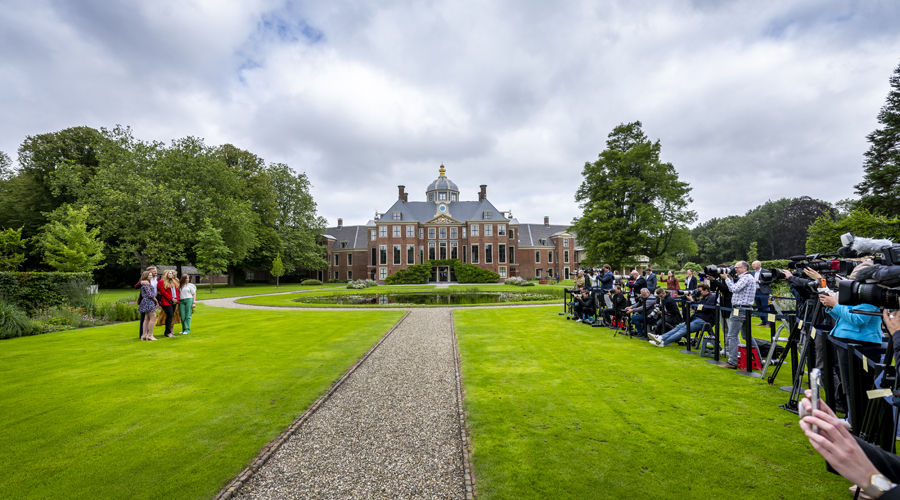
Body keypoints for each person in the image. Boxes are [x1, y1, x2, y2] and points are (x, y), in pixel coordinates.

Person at [819, 292, 882, 415]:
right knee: (849, 387)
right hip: (847, 341)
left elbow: (858, 320)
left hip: (862, 344)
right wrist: (832, 307)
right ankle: (854, 420)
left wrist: (836, 305)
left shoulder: (869, 295)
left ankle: (861, 425)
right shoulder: (858, 296)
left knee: (858, 388)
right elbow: (845, 320)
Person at [649, 282, 717, 347]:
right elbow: (698, 308)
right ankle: (660, 337)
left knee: (683, 329)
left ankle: (663, 342)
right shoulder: (704, 297)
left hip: (704, 320)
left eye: (700, 291)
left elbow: (703, 309)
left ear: (706, 290)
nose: (699, 292)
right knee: (678, 327)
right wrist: (694, 302)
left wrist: (693, 301)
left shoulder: (711, 297)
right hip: (697, 318)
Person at [719, 261, 755, 369]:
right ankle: (756, 357)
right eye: (735, 268)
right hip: (744, 309)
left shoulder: (746, 277)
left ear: (745, 268)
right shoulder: (746, 277)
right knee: (746, 336)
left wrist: (726, 278)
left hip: (740, 309)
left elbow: (734, 289)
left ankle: (732, 362)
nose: (735, 270)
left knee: (732, 335)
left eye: (737, 268)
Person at [134, 266, 159, 340]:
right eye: (151, 273)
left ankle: (144, 335)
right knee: (153, 317)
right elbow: (150, 294)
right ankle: (150, 335)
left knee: (147, 318)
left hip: (146, 301)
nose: (155, 272)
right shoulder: (146, 283)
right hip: (149, 301)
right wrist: (156, 300)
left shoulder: (156, 279)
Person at [157, 270, 181, 338]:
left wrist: (176, 299)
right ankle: (167, 332)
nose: (171, 274)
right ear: (166, 274)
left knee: (170, 316)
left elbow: (176, 291)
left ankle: (168, 331)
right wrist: (171, 299)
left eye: (171, 273)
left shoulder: (173, 281)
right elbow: (163, 292)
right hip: (166, 301)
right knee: (169, 314)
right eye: (169, 273)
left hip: (174, 301)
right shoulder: (161, 282)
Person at [752, 261, 772, 327]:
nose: (752, 266)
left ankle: (769, 323)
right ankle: (763, 321)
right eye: (752, 265)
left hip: (763, 291)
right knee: (759, 307)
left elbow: (770, 280)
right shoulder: (752, 272)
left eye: (754, 265)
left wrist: (759, 281)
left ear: (759, 265)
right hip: (755, 291)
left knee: (765, 307)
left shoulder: (766, 271)